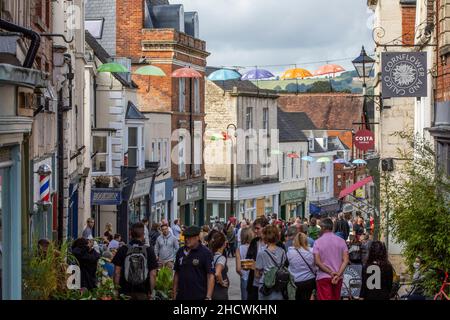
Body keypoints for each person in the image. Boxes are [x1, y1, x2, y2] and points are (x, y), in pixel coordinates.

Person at [112, 222, 158, 300]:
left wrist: (116, 290)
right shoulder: (148, 250)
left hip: (125, 292)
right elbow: (153, 274)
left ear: (130, 234)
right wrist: (151, 291)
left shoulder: (123, 249)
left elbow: (117, 272)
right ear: (143, 235)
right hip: (142, 292)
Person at [172, 226, 215, 300]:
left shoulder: (205, 253)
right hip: (181, 296)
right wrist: (174, 291)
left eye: (189, 237)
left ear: (197, 238)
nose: (186, 240)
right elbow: (177, 273)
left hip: (199, 296)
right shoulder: (180, 251)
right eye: (185, 237)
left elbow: (210, 276)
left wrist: (208, 297)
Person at [313, 218, 349, 300]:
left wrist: (330, 272)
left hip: (323, 276)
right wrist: (338, 274)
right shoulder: (341, 241)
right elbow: (346, 260)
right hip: (338, 277)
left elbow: (317, 262)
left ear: (323, 228)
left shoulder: (317, 242)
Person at [255, 225, 287, 300]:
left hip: (265, 286)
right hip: (278, 284)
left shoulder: (262, 253)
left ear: (265, 237)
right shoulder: (282, 251)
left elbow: (257, 274)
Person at [245, 217, 269, 300]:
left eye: (258, 228)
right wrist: (247, 264)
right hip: (254, 283)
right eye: (255, 228)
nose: (255, 231)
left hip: (269, 284)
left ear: (265, 228)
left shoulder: (275, 243)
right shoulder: (254, 241)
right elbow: (248, 258)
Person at [287, 232, 317, 300]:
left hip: (295, 281)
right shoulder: (311, 251)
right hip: (309, 280)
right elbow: (315, 266)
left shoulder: (290, 251)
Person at [235, 227, 254, 300]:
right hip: (254, 278)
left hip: (244, 278)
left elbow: (238, 269)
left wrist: (243, 275)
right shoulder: (255, 247)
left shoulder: (239, 249)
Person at [210, 232, 229, 300]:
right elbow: (217, 273)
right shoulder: (221, 258)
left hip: (210, 289)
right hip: (219, 291)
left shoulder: (210, 255)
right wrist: (222, 282)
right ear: (224, 244)